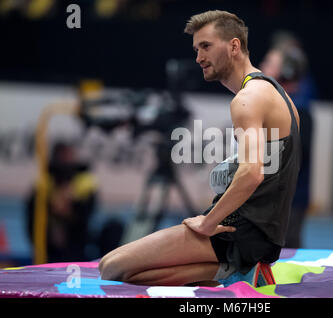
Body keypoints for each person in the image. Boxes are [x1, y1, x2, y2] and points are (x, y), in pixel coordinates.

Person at [99, 10, 300, 286]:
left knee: (111, 266)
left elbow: (252, 174)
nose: (198, 58)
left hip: (237, 231)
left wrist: (207, 224)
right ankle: (238, 271)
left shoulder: (247, 99)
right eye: (196, 49)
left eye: (206, 46)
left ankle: (238, 268)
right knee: (135, 276)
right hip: (261, 236)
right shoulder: (277, 94)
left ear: (234, 46)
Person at [260, 32, 315, 248]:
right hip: (276, 195)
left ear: (286, 72)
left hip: (289, 197)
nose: (262, 66)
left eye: (269, 63)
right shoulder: (277, 103)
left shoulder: (298, 109)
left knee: (284, 250)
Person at [26, 141, 98, 262]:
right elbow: (32, 215)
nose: (67, 161)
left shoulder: (85, 182)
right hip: (48, 243)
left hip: (76, 240)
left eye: (70, 156)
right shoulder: (44, 183)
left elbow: (87, 213)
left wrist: (70, 208)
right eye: (63, 156)